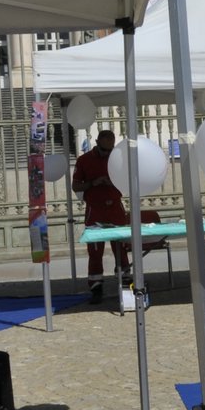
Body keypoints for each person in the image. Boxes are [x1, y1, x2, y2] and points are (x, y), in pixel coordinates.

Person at [72, 129, 130, 304]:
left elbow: (128, 181)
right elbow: (76, 186)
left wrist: (113, 182)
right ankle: (96, 286)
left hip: (115, 208)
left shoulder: (118, 158)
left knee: (120, 247)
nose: (107, 153)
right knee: (95, 250)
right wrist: (93, 183)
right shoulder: (84, 160)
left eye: (110, 149)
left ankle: (126, 282)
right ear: (97, 143)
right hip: (95, 209)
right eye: (104, 150)